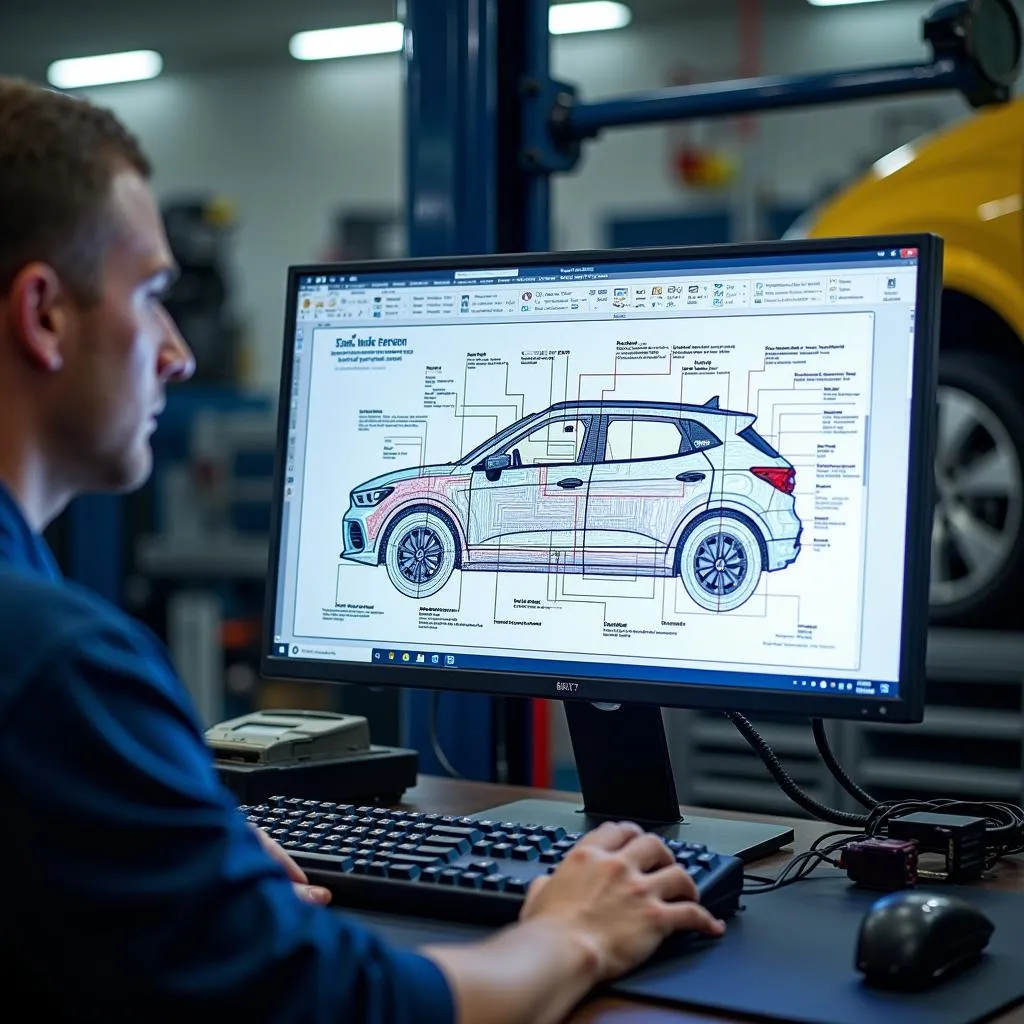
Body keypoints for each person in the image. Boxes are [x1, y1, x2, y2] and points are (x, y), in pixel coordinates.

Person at [0, 76, 725, 1024]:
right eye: (151, 294)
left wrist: (182, 861)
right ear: (45, 314)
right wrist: (574, 932)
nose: (177, 352)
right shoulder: (53, 662)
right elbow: (352, 1006)